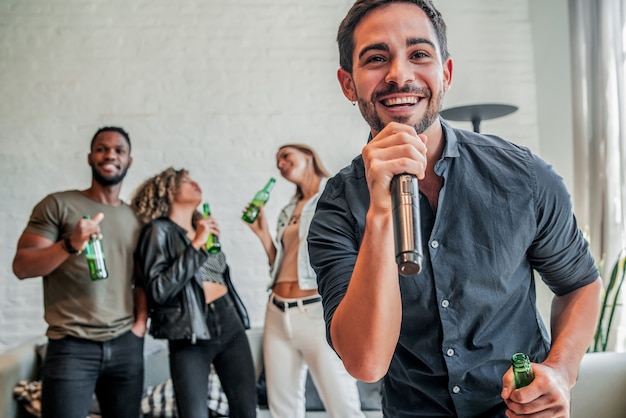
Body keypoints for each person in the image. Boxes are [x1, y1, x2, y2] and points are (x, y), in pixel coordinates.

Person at [306, 1, 603, 417]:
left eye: (419, 54)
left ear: (445, 73)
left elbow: (580, 285)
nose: (399, 74)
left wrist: (560, 370)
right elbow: (366, 363)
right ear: (348, 84)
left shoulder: (524, 176)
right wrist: (380, 214)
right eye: (376, 58)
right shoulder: (337, 208)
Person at [12, 126, 147, 418]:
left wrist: (139, 326)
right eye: (102, 148)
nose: (110, 154)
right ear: (90, 157)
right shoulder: (58, 205)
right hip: (71, 346)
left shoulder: (136, 217)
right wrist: (70, 244)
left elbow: (141, 279)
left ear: (129, 160)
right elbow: (22, 266)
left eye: (119, 150)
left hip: (125, 343)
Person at [245, 144, 365, 418]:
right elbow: (281, 263)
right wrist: (262, 233)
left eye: (286, 156)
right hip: (276, 311)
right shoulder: (289, 209)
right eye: (277, 161)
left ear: (308, 155)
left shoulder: (336, 194)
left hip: (315, 311)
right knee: (282, 409)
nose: (281, 164)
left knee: (343, 406)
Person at [132, 167, 257, 418]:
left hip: (228, 321)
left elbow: (221, 276)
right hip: (188, 332)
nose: (194, 183)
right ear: (167, 190)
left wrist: (204, 240)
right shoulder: (158, 231)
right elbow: (158, 289)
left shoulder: (203, 227)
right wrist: (197, 245)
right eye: (186, 181)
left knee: (246, 411)